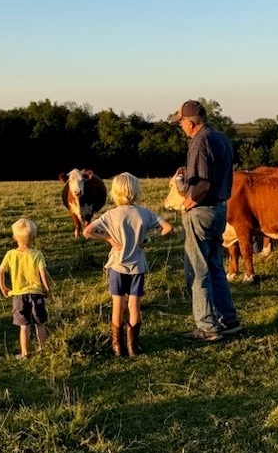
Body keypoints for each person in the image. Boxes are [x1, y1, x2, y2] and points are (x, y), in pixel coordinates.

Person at [167, 99, 241, 341]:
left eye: (181, 123)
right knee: (215, 266)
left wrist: (187, 202)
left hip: (201, 211)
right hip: (220, 209)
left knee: (197, 270)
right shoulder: (221, 138)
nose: (180, 127)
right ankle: (229, 320)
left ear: (190, 122)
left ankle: (207, 326)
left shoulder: (198, 142)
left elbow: (203, 183)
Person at [84, 172, 172, 357]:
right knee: (134, 306)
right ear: (136, 191)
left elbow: (88, 231)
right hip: (137, 266)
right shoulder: (145, 213)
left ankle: (117, 347)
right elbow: (167, 228)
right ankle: (133, 347)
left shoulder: (111, 214)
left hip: (117, 266)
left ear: (115, 192)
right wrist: (150, 239)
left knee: (118, 305)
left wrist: (108, 238)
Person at [0, 217, 52, 358]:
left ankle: (25, 353)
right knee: (40, 323)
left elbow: (0, 272)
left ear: (14, 237)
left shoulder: (10, 254)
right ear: (34, 237)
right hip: (36, 293)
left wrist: (3, 287)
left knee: (24, 325)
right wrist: (47, 289)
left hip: (18, 295)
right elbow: (43, 274)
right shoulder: (37, 254)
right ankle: (42, 350)